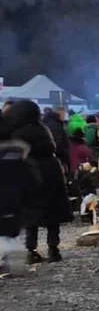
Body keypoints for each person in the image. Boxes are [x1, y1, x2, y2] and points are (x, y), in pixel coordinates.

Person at [3, 100, 73, 263]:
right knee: (52, 215)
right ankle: (53, 249)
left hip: (29, 172)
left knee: (31, 215)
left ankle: (31, 250)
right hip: (51, 170)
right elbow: (58, 149)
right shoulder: (44, 129)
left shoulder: (16, 132)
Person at [0, 113, 31, 274]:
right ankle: (7, 258)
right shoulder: (18, 153)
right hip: (14, 195)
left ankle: (4, 260)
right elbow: (29, 177)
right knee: (9, 228)